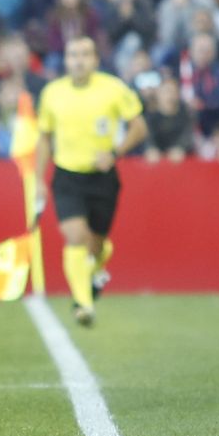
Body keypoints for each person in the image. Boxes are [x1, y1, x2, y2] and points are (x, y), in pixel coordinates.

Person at [34, 37, 147, 327]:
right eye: (73, 54)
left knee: (96, 245)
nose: (79, 60)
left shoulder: (113, 89)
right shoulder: (52, 93)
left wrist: (115, 153)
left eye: (85, 54)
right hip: (68, 176)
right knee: (75, 237)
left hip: (102, 178)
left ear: (95, 60)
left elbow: (139, 127)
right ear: (65, 60)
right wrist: (38, 180)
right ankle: (83, 304)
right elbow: (45, 138)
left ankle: (98, 269)